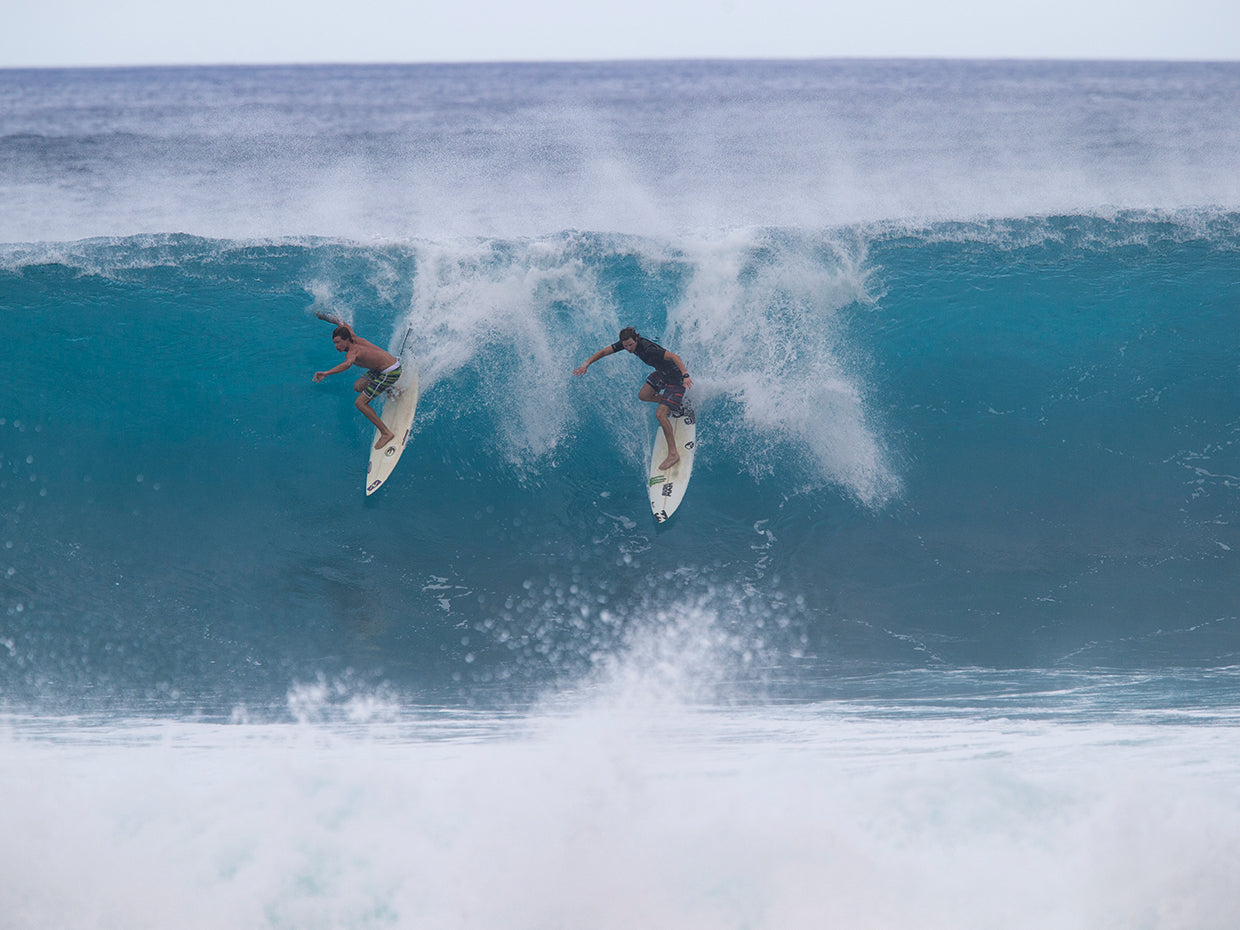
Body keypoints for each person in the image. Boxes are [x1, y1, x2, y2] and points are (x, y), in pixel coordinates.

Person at [574, 326, 693, 470]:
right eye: (625, 346)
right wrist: (587, 363)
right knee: (644, 395)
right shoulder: (626, 344)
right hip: (662, 372)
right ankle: (675, 403)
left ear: (636, 339)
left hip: (675, 376)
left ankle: (673, 454)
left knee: (660, 415)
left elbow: (675, 357)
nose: (629, 348)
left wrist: (685, 375)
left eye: (631, 345)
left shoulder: (649, 349)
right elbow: (605, 351)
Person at [312, 311, 402, 449]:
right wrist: (323, 316)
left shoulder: (352, 352)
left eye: (338, 342)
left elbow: (347, 364)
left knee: (360, 403)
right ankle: (391, 389)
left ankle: (386, 433)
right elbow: (339, 320)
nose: (336, 346)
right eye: (334, 343)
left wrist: (326, 373)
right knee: (358, 386)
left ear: (346, 340)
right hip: (387, 365)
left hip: (390, 372)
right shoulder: (350, 334)